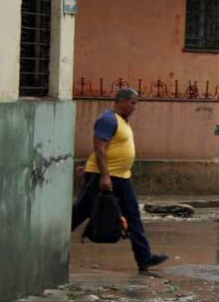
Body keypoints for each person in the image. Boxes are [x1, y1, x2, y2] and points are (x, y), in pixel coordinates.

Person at [71, 88, 169, 272]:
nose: (135, 107)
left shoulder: (122, 121)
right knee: (80, 213)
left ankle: (144, 258)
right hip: (104, 177)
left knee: (133, 216)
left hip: (121, 177)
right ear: (122, 101)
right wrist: (103, 174)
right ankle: (48, 246)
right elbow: (100, 148)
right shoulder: (108, 120)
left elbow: (110, 149)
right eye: (133, 103)